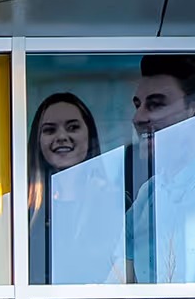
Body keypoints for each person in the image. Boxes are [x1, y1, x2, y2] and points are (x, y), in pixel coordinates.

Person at [126, 54, 195, 283]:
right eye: (138, 105)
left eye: (156, 104)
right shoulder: (147, 194)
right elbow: (118, 284)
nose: (138, 118)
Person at [28, 93, 124, 284]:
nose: (62, 137)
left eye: (73, 127)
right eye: (49, 130)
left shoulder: (117, 202)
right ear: (37, 141)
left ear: (90, 134)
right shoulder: (23, 207)